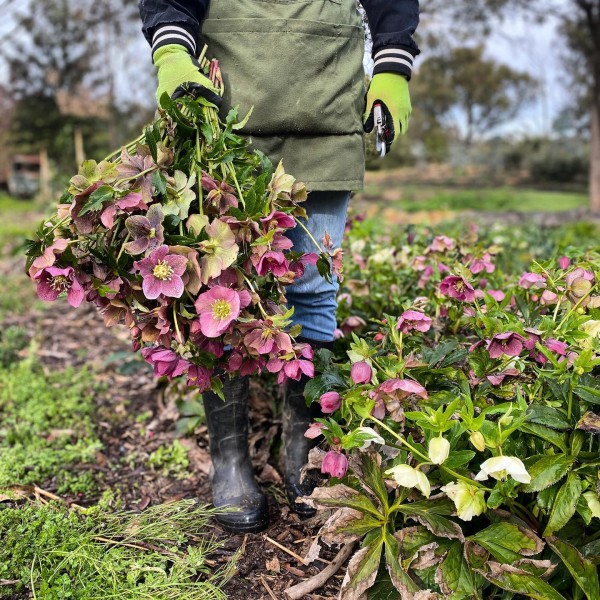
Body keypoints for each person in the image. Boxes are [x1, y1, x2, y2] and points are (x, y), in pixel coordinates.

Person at [138, 0, 419, 533]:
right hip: (223, 107)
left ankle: (302, 443)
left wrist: (392, 64)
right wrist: (173, 51)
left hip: (328, 103)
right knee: (217, 285)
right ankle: (230, 458)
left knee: (314, 283)